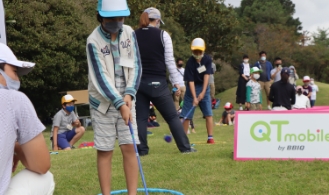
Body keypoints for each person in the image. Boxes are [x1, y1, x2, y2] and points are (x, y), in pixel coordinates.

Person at [86, 1, 142, 194]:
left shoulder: (129, 33)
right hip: (103, 105)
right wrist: (119, 103)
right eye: (111, 18)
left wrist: (129, 93)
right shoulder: (93, 41)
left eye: (120, 18)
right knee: (105, 151)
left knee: (129, 148)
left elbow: (136, 64)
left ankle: (132, 193)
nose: (116, 22)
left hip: (127, 100)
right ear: (100, 16)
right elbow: (100, 78)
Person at [135, 7, 195, 155]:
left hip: (138, 83)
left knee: (141, 119)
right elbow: (169, 61)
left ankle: (142, 151)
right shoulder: (163, 35)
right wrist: (177, 82)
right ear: (156, 20)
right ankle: (185, 148)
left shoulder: (132, 35)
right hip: (158, 83)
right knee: (172, 117)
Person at [0, 43, 55, 195]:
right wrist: (16, 147)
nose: (17, 79)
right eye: (15, 71)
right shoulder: (15, 100)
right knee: (46, 178)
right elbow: (41, 165)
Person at [180, 38, 215, 144]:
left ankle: (210, 138)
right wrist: (195, 97)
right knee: (186, 115)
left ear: (203, 51)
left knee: (208, 113)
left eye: (199, 51)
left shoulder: (207, 60)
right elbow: (190, 81)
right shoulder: (190, 63)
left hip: (204, 86)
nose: (197, 54)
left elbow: (207, 76)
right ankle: (184, 139)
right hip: (192, 89)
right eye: (195, 52)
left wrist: (203, 92)